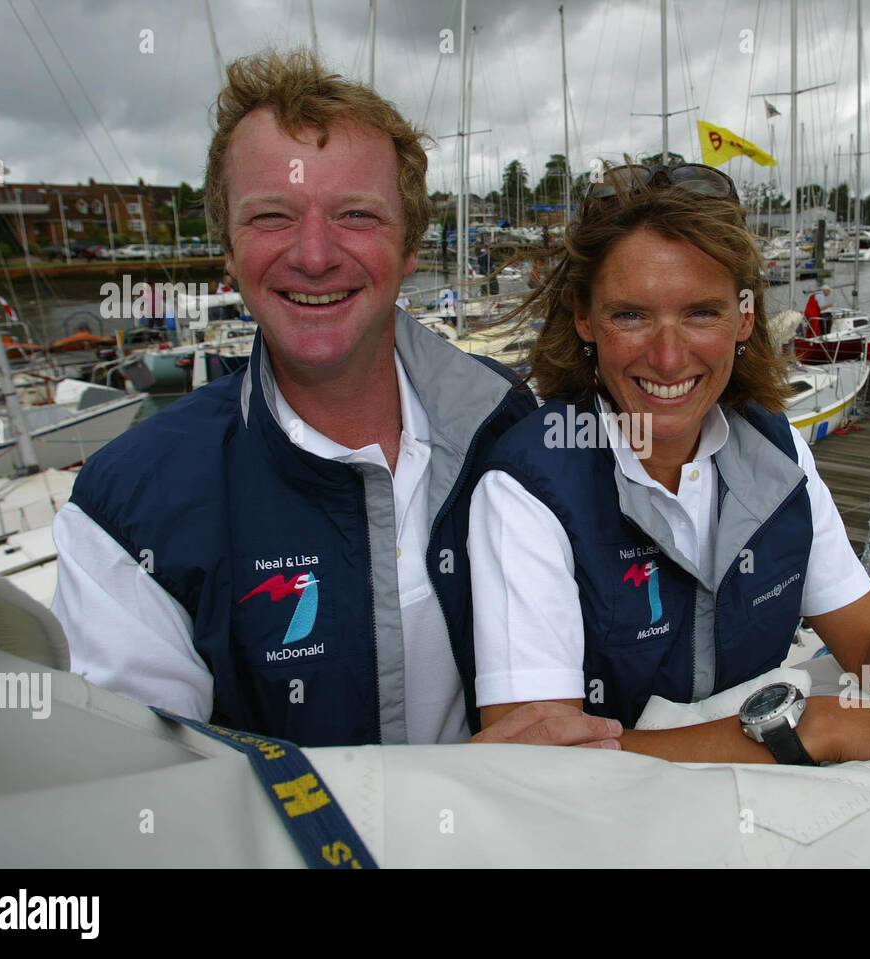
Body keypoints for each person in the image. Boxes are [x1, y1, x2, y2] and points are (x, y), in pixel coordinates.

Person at [466, 162, 870, 853]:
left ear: (744, 317)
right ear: (584, 319)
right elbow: (538, 772)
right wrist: (826, 725)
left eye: (702, 312)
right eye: (631, 314)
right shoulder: (528, 489)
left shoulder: (779, 453)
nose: (669, 352)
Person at [49, 49, 616, 752]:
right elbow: (150, 805)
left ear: (410, 245)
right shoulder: (128, 510)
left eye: (355, 215)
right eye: (271, 217)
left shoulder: (510, 428)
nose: (314, 254)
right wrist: (457, 792)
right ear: (226, 246)